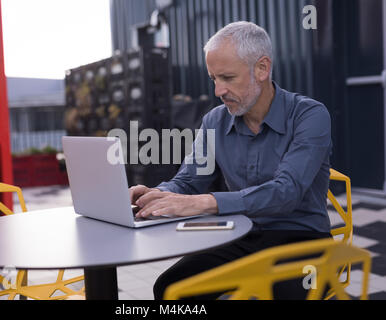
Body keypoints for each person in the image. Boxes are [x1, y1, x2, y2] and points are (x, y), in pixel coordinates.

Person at [129, 21, 333, 300]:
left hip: (299, 240)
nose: (218, 91)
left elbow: (287, 192)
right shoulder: (214, 120)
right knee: (171, 290)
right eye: (213, 79)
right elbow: (190, 180)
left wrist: (205, 202)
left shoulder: (309, 115)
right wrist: (159, 194)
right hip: (240, 236)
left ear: (262, 68)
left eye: (227, 78)